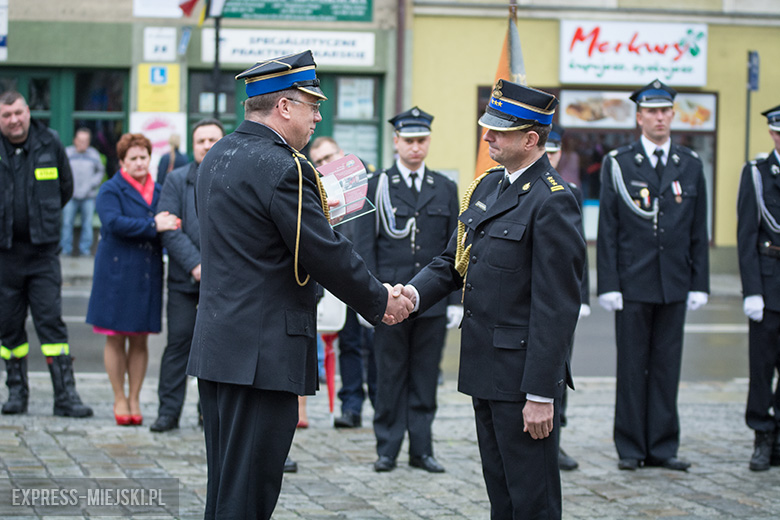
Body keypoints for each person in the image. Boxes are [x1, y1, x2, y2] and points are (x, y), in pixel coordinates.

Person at [186, 50, 413, 520]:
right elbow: (324, 251)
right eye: (312, 105)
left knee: (226, 484)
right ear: (284, 107)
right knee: (249, 490)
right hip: (262, 352)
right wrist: (379, 300)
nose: (318, 116)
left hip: (220, 346)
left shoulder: (219, 155)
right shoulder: (284, 167)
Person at [403, 80, 584, 519]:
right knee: (500, 492)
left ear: (531, 139)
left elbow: (556, 306)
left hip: (523, 379)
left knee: (532, 497)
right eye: (488, 127)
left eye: (499, 131)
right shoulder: (486, 186)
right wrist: (411, 294)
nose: (488, 137)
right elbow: (454, 261)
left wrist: (542, 393)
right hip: (485, 367)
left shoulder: (553, 202)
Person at [597, 79, 709, 472]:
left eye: (665, 111)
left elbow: (699, 230)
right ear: (639, 117)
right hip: (632, 282)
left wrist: (700, 283)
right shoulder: (619, 162)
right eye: (652, 111)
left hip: (674, 281)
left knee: (666, 366)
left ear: (672, 115)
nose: (659, 118)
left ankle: (662, 446)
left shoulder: (690, 164)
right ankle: (630, 447)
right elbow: (607, 229)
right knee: (631, 366)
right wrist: (608, 284)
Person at [354, 106, 460, 473]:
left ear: (428, 142)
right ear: (396, 141)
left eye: (422, 140)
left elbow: (456, 249)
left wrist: (456, 301)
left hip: (430, 303)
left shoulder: (445, 188)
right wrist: (367, 298)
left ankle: (422, 449)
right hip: (388, 300)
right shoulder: (377, 184)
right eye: (409, 140)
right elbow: (364, 248)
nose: (415, 147)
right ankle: (388, 448)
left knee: (425, 377)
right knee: (389, 376)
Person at [0, 91, 93, 418]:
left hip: (42, 255)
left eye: (18, 112)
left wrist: (42, 220)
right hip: (5, 255)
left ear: (28, 111)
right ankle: (16, 392)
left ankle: (65, 396)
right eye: (6, 114)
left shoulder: (48, 141)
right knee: (9, 329)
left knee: (52, 326)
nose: (13, 120)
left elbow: (65, 188)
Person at [86, 133, 180, 426]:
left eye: (144, 157)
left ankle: (135, 398)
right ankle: (119, 398)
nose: (140, 163)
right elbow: (113, 223)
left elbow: (171, 221)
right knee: (115, 339)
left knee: (139, 339)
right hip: (116, 273)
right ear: (123, 161)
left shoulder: (159, 189)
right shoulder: (110, 190)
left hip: (146, 272)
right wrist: (153, 224)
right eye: (134, 158)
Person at [149, 119, 224, 433]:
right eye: (201, 141)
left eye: (213, 140)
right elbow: (169, 227)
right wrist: (196, 264)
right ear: (192, 146)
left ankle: (209, 412)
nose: (207, 145)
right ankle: (168, 412)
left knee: (218, 349)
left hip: (223, 282)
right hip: (184, 280)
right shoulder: (176, 180)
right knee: (178, 344)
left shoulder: (232, 176)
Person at [310, 135, 377, 429]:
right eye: (320, 161)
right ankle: (351, 406)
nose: (326, 164)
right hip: (339, 280)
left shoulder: (367, 184)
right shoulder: (317, 193)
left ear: (341, 154)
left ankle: (381, 402)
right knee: (348, 344)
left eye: (329, 157)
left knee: (375, 345)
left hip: (372, 277)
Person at [736, 103, 780, 471]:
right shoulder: (757, 174)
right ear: (773, 134)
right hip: (768, 285)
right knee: (762, 370)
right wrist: (751, 290)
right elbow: (747, 234)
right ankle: (762, 436)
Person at [546, 122, 591, 471]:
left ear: (561, 153)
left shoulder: (569, 191)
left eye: (553, 151)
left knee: (559, 368)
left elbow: (579, 251)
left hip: (562, 296)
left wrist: (583, 294)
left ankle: (555, 439)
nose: (548, 157)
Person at [60, 127, 105, 256]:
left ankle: (85, 251)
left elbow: (100, 171)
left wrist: (92, 184)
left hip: (88, 196)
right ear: (75, 140)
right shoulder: (67, 153)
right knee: (67, 223)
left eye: (85, 141)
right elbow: (61, 171)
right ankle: (65, 250)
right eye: (80, 140)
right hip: (71, 196)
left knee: (87, 224)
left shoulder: (94, 154)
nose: (82, 143)